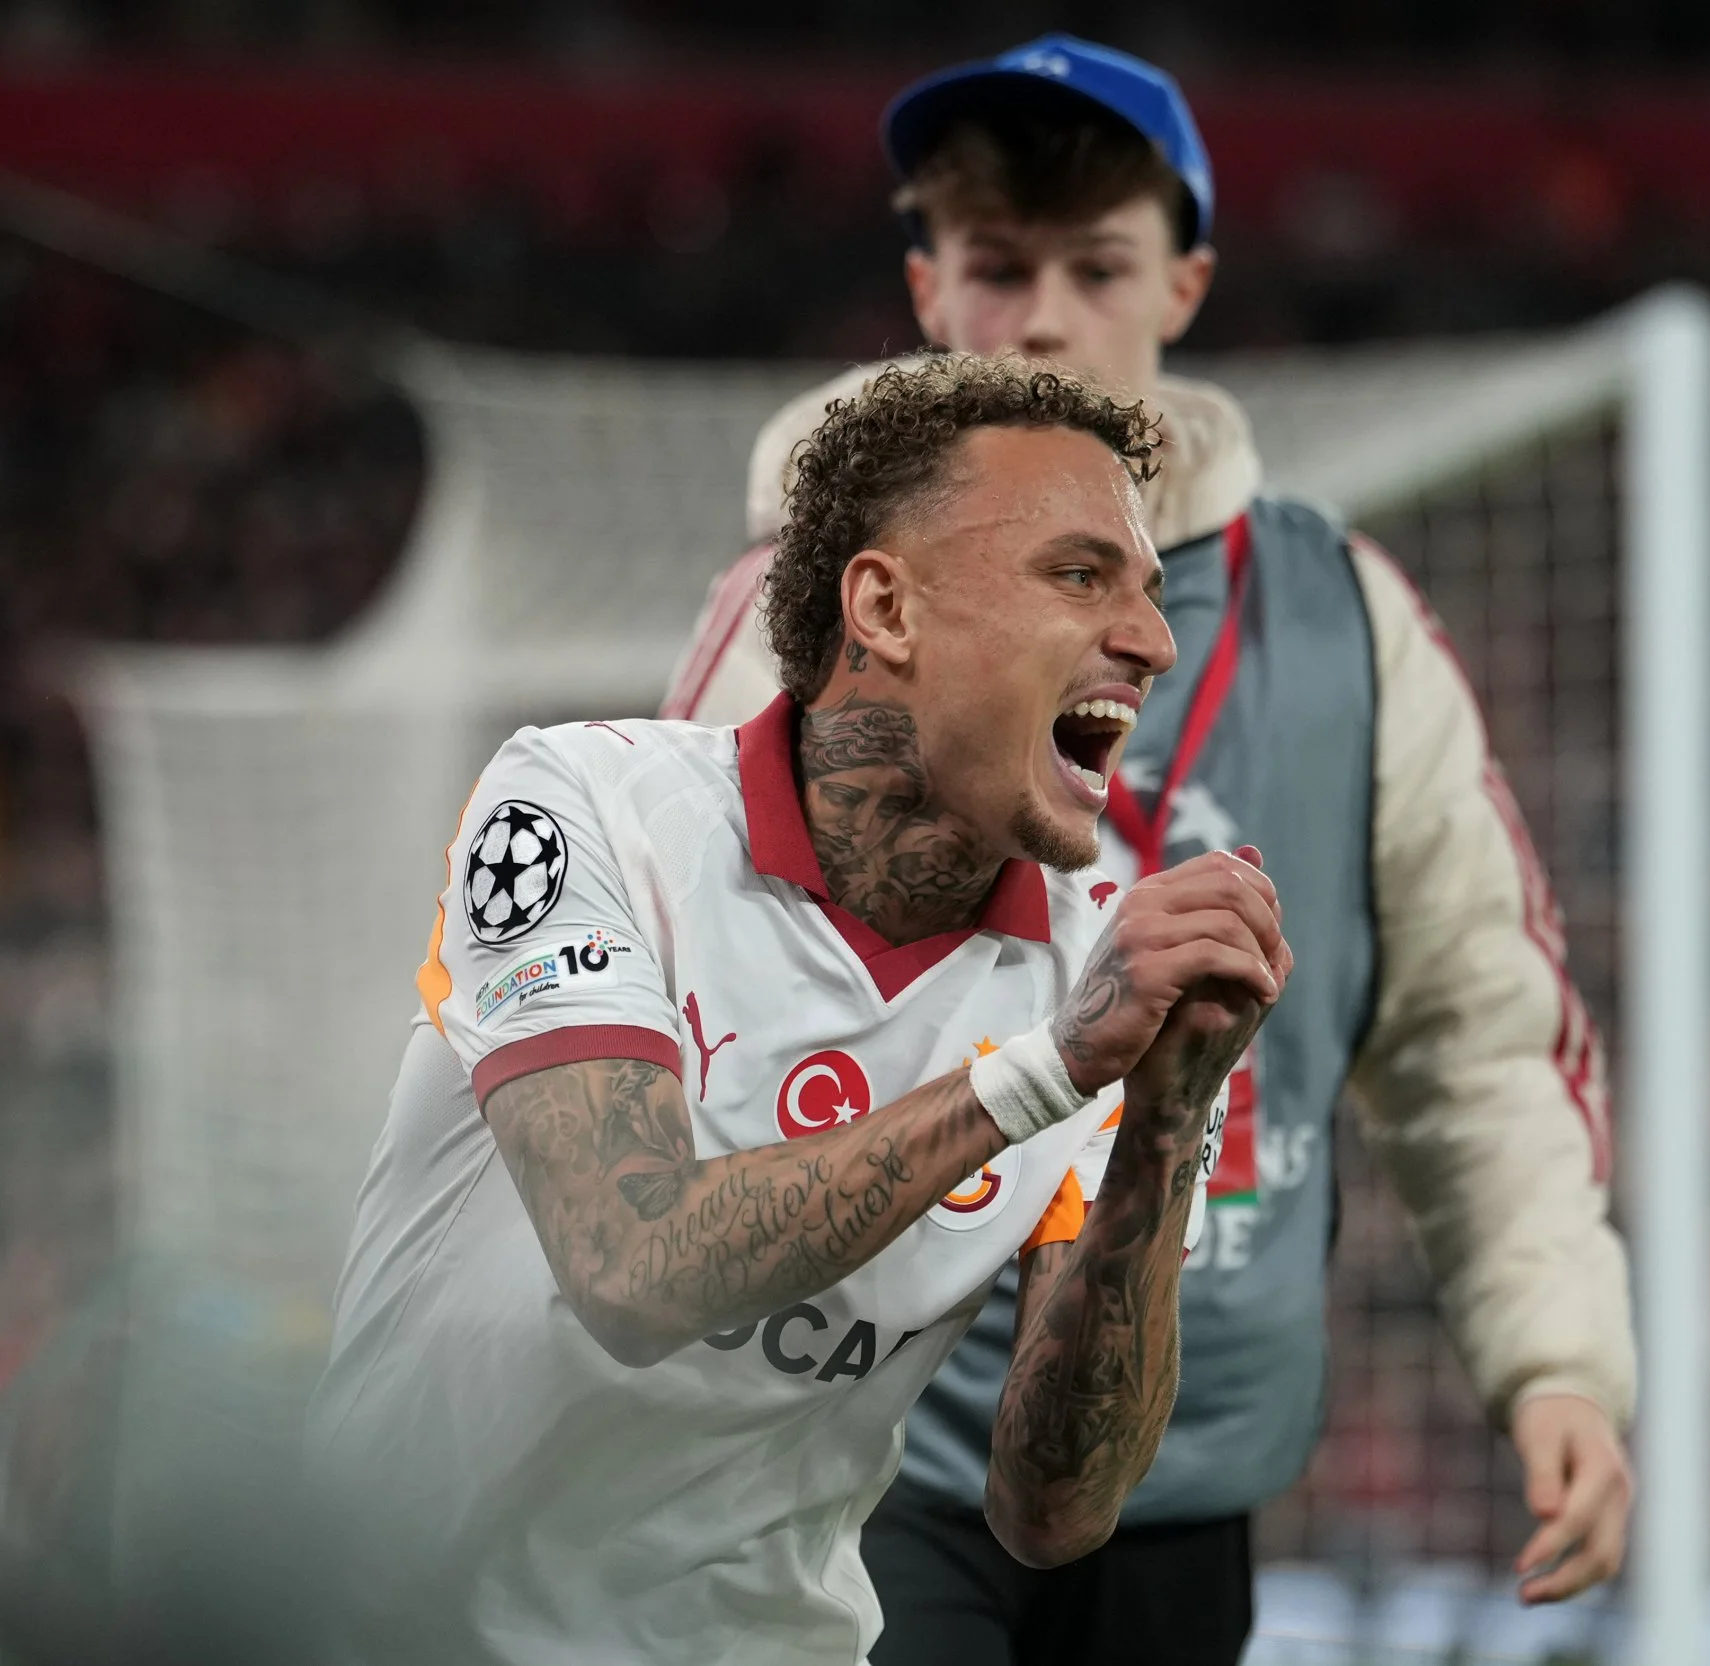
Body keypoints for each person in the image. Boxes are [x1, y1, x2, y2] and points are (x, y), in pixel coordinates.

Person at [661, 35, 1635, 1666]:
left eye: (1095, 265)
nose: (1042, 315)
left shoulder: (1348, 627)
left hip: (1186, 1453)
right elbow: (696, 978)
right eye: (995, 266)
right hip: (867, 1451)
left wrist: (1559, 1359)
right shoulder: (805, 607)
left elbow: (1477, 1034)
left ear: (1184, 283)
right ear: (924, 285)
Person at [305, 355, 1294, 1666]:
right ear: (885, 606)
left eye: (1152, 595)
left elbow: (1055, 1505)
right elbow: (634, 1266)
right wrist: (1047, 1073)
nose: (1153, 640)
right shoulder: (580, 807)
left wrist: (1165, 1118)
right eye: (1078, 575)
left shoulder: (1089, 968)